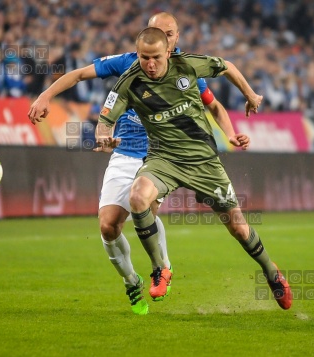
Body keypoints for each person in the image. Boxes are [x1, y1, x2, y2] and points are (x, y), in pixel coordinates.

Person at [28, 13, 250, 315]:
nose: (165, 39)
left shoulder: (185, 70)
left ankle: (162, 267)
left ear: (176, 37)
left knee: (144, 204)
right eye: (158, 33)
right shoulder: (127, 64)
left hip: (164, 156)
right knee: (108, 226)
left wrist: (230, 135)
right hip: (125, 153)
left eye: (169, 34)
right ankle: (131, 280)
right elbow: (79, 75)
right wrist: (46, 95)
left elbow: (214, 105)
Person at [96, 27, 292, 310]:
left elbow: (227, 66)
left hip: (203, 161)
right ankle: (160, 269)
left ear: (167, 52)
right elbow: (105, 118)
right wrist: (103, 136)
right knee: (138, 197)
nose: (150, 65)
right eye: (143, 58)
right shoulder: (127, 82)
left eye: (155, 58)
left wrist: (249, 94)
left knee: (238, 227)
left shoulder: (188, 64)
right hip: (164, 159)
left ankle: (271, 272)